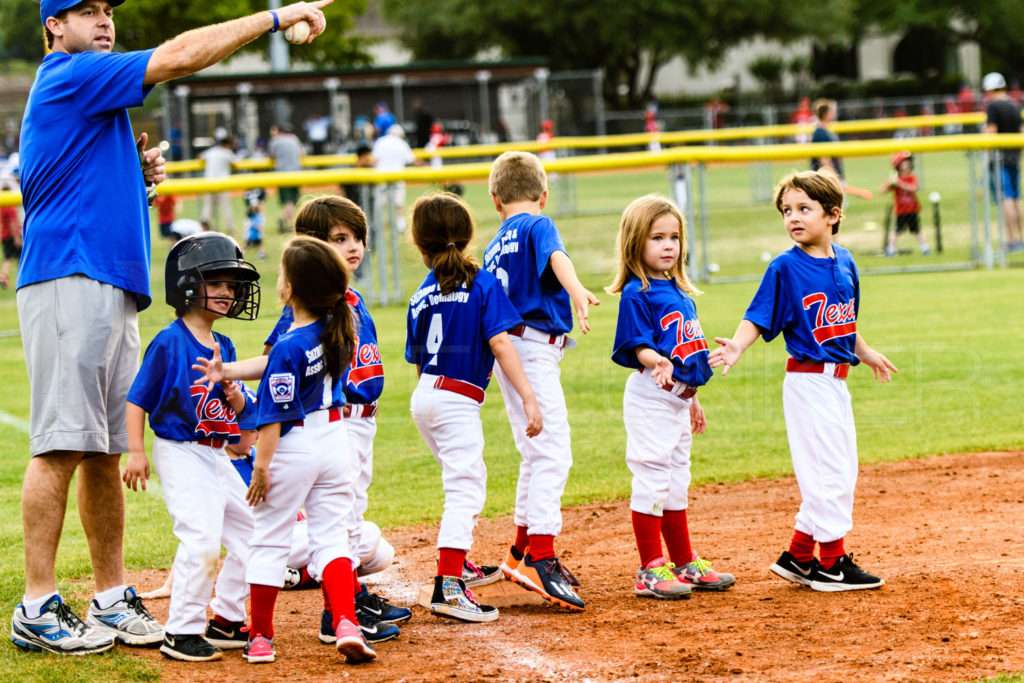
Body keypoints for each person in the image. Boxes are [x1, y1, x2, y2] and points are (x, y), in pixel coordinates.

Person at [12, 0, 331, 657]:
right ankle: (37, 602)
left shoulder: (93, 94)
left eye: (107, 9)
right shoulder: (70, 72)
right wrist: (274, 18)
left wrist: (138, 181)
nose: (104, 20)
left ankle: (109, 594)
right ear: (54, 26)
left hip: (106, 283)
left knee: (101, 449)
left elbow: (80, 187)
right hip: (69, 278)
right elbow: (181, 56)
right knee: (60, 443)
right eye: (86, 8)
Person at [709, 169, 898, 592]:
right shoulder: (785, 268)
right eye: (787, 210)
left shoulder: (845, 260)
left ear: (833, 215)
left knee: (841, 470)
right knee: (828, 472)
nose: (793, 217)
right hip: (808, 382)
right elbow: (758, 316)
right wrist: (738, 346)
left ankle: (798, 556)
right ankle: (831, 565)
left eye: (804, 209)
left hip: (837, 382)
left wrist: (864, 352)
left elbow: (845, 318)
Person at [197, 236, 374, 664]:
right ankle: (346, 622)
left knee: (270, 540)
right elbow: (277, 362)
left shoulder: (293, 342)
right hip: (336, 442)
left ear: (290, 290)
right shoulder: (339, 323)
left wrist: (262, 468)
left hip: (295, 445)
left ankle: (260, 637)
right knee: (331, 536)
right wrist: (231, 370)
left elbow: (272, 417)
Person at [264, 196, 410, 645]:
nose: (353, 247)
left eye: (357, 238)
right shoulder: (315, 307)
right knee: (342, 520)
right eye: (338, 239)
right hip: (338, 420)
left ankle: (351, 593)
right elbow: (276, 356)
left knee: (355, 515)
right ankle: (337, 612)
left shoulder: (352, 298)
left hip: (361, 420)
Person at [405, 192, 542, 622]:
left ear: (420, 246)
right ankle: (448, 584)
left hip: (425, 394)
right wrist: (528, 395)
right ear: (466, 239)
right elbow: (501, 342)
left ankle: (457, 562)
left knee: (458, 479)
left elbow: (418, 359)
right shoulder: (483, 283)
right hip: (456, 398)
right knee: (465, 488)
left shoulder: (419, 295)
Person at [123, 232, 259, 662]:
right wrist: (137, 452)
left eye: (231, 285)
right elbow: (137, 400)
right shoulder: (170, 341)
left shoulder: (227, 346)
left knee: (254, 535)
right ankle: (180, 631)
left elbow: (238, 423)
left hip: (215, 453)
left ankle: (226, 618)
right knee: (201, 537)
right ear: (186, 285)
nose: (226, 292)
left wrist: (236, 394)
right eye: (215, 282)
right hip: (179, 450)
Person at [482, 151, 599, 612]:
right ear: (543, 195)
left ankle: (520, 551)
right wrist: (576, 290)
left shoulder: (495, 243)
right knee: (553, 450)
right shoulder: (537, 223)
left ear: (495, 200)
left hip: (509, 350)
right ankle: (542, 556)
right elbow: (555, 256)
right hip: (532, 346)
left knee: (536, 451)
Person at [607, 195, 735, 600]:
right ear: (634, 244)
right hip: (652, 394)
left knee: (678, 480)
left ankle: (683, 562)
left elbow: (686, 353)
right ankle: (649, 568)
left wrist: (692, 398)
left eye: (674, 237)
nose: (668, 245)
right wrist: (656, 361)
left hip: (678, 400)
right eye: (657, 237)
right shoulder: (637, 293)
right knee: (653, 477)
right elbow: (636, 344)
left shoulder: (680, 292)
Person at [982, 71, 1024, 253]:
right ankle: (1021, 238)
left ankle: (1012, 240)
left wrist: (986, 153)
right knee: (1016, 198)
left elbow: (991, 132)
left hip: (1000, 159)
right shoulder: (1014, 105)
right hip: (1015, 156)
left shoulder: (993, 106)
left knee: (1006, 198)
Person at [810, 99, 872, 201]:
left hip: (831, 177)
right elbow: (824, 159)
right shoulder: (820, 133)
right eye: (832, 111)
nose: (834, 113)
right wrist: (835, 179)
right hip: (825, 180)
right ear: (826, 113)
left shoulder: (827, 131)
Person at [881, 151, 929, 257]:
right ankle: (891, 249)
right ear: (898, 165)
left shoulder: (911, 177)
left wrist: (900, 183)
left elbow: (914, 188)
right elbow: (882, 190)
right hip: (900, 211)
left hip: (912, 209)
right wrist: (891, 182)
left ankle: (924, 248)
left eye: (908, 162)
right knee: (897, 231)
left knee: (917, 230)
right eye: (904, 162)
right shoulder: (896, 179)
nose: (907, 164)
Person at [372, 124, 416, 233]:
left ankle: (376, 226)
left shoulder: (380, 141)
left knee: (379, 204)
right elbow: (411, 159)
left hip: (381, 177)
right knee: (399, 204)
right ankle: (400, 226)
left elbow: (374, 160)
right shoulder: (402, 143)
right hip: (397, 177)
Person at [268, 123, 304, 233]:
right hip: (296, 173)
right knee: (292, 200)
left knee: (288, 201)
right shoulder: (294, 139)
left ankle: (285, 220)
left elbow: (271, 156)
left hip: (283, 174)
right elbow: (302, 154)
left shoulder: (275, 141)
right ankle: (288, 223)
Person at [199, 134, 237, 235]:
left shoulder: (212, 151)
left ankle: (204, 223)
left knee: (208, 206)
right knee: (226, 207)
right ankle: (230, 228)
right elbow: (236, 162)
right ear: (228, 144)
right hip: (222, 183)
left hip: (209, 182)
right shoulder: (227, 152)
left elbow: (200, 157)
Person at [0, 178, 23, 289]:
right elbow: (13, 223)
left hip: (4, 235)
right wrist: (16, 238)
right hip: (11, 236)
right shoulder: (11, 207)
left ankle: (3, 277)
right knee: (21, 257)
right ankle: (21, 277)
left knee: (8, 258)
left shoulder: (2, 207)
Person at [243, 187, 267, 260]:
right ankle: (242, 254)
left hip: (255, 235)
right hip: (253, 235)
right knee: (248, 245)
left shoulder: (255, 217)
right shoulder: (255, 218)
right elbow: (256, 226)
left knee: (258, 244)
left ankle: (261, 255)